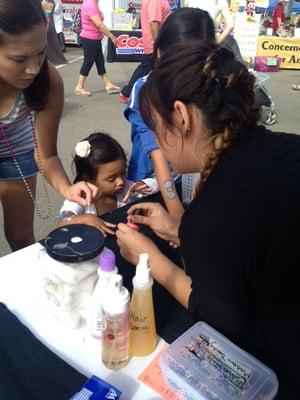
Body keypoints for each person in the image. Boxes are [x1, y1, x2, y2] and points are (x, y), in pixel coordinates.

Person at [116, 42, 300, 397]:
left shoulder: (213, 210)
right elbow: (257, 249)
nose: (155, 139)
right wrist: (182, 232)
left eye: (155, 125)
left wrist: (152, 261)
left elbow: (222, 321)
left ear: (182, 116)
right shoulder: (288, 148)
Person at [0, 0, 99, 251]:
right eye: (19, 59)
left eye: (41, 52)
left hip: (17, 155)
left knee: (21, 238)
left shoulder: (47, 78)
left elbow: (47, 154)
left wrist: (67, 188)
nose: (33, 69)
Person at [124, 7, 215, 219]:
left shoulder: (208, 86)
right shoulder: (146, 90)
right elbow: (157, 155)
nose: (183, 73)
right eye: (175, 61)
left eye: (194, 63)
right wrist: (177, 214)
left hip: (188, 179)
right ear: (159, 52)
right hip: (147, 179)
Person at [59, 132, 159, 235]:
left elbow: (158, 184)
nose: (120, 181)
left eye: (123, 173)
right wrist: (85, 219)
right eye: (111, 179)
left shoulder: (126, 188)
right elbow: (63, 221)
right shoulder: (81, 197)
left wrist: (142, 185)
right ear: (90, 179)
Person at [119, 0, 171, 103]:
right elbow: (154, 23)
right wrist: (157, 46)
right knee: (151, 68)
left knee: (149, 67)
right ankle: (129, 92)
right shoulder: (155, 1)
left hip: (157, 43)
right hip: (155, 44)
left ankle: (129, 92)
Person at [75, 0, 120, 96]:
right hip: (89, 38)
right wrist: (112, 37)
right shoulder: (90, 4)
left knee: (100, 61)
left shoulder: (93, 3)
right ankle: (79, 86)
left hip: (95, 38)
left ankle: (108, 84)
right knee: (88, 62)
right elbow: (99, 25)